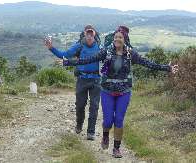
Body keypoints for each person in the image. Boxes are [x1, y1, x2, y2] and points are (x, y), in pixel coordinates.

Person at [63, 26, 179, 158]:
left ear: (125, 39)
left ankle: (116, 148)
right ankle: (105, 136)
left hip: (124, 91)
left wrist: (167, 68)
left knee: (119, 120)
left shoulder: (131, 54)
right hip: (107, 90)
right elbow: (88, 59)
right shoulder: (106, 52)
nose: (117, 39)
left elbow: (148, 63)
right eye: (116, 37)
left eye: (120, 37)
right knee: (107, 121)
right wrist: (67, 62)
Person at [44, 25, 101, 140]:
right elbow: (63, 55)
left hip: (96, 80)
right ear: (84, 34)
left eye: (91, 33)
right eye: (87, 33)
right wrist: (51, 48)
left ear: (94, 34)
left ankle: (91, 132)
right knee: (80, 106)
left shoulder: (100, 47)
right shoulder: (79, 46)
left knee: (94, 107)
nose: (89, 35)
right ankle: (79, 124)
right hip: (82, 79)